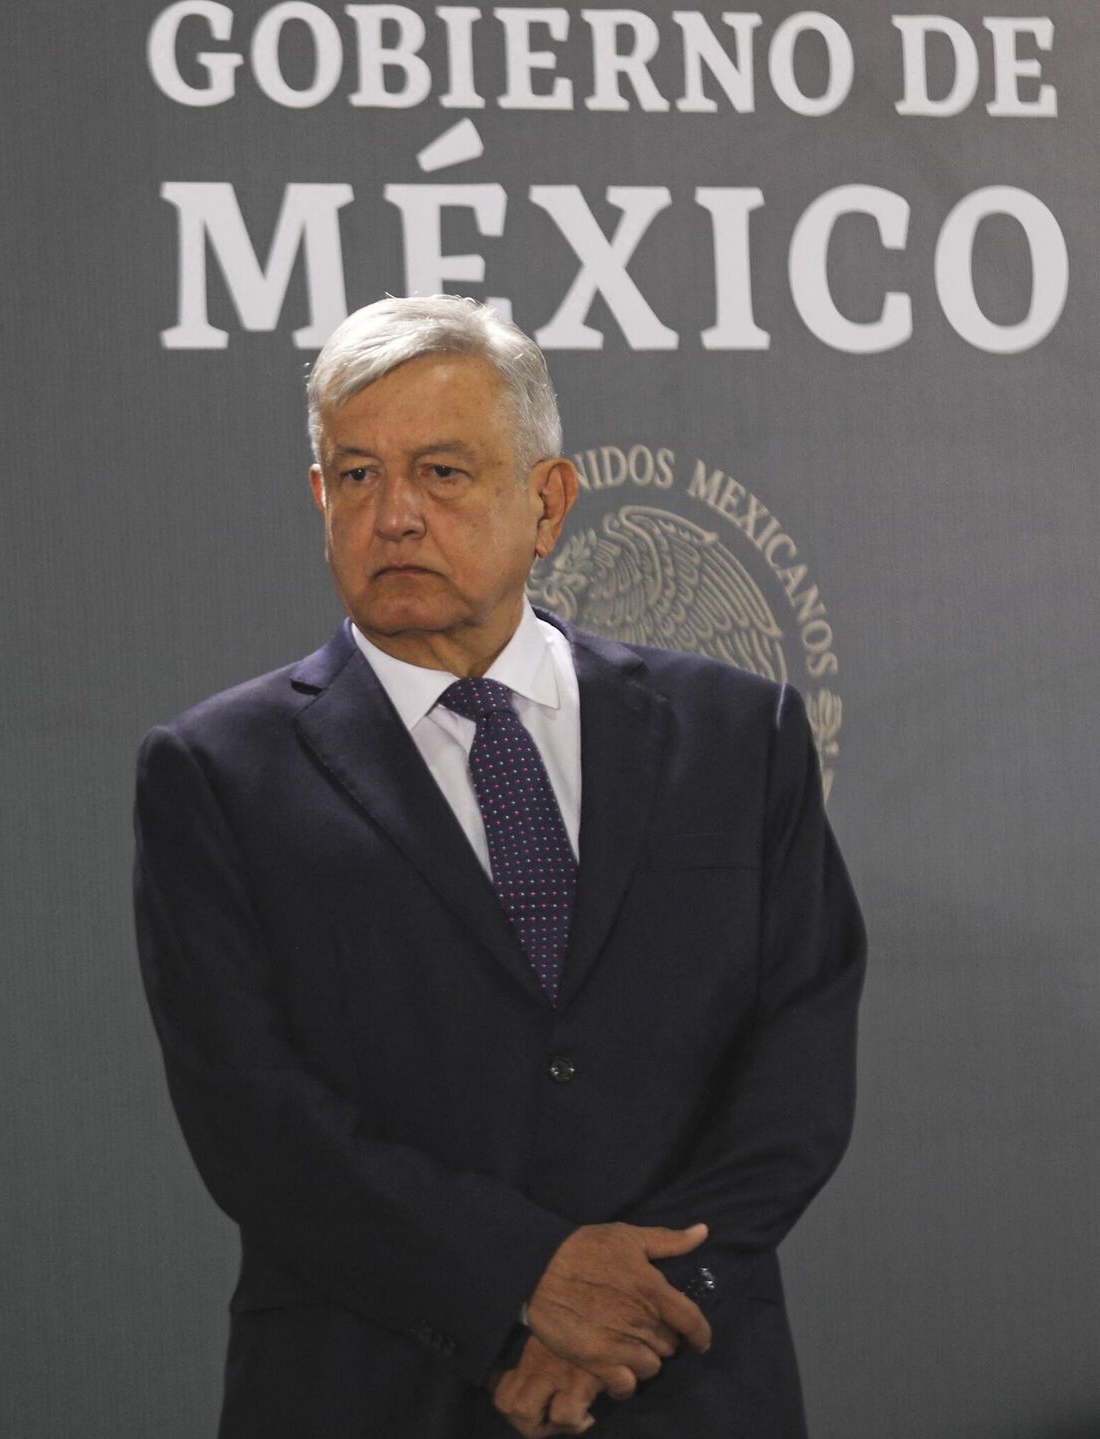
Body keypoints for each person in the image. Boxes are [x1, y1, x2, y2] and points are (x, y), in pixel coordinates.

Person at [132, 294, 866, 1438]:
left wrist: (642, 1307)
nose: (395, 515)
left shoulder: (737, 736)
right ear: (321, 499)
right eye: (358, 476)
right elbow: (254, 1115)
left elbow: (797, 1066)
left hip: (683, 1385)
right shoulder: (217, 772)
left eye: (442, 472)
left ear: (548, 501)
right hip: (372, 1389)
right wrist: (522, 1281)